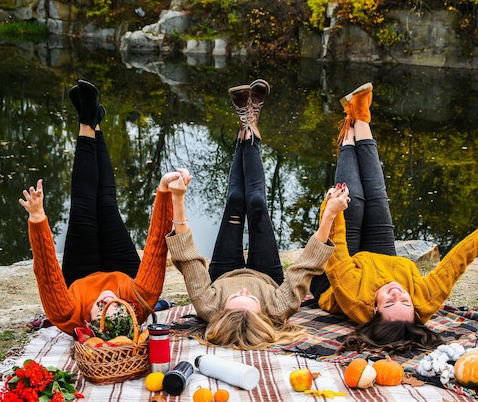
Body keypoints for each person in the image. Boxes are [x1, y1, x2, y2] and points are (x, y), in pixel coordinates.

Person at [310, 82, 478, 353]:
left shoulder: (353, 296)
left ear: (374, 309)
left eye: (390, 302)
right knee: (377, 198)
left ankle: (349, 127)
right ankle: (360, 115)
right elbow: (459, 259)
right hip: (381, 263)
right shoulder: (423, 299)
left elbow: (336, 251)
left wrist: (331, 207)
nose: (397, 293)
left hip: (338, 276)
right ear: (415, 308)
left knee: (350, 201)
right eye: (405, 301)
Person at [164, 79, 349, 350]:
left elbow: (189, 259)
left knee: (236, 200)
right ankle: (249, 126)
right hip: (267, 274)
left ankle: (247, 125)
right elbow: (305, 266)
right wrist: (330, 215)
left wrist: (177, 198)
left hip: (223, 272)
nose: (243, 291)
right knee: (257, 203)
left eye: (235, 299)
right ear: (262, 313)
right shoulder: (278, 308)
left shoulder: (208, 306)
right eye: (248, 299)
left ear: (222, 312)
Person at [19, 79, 182, 336]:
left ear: (88, 323)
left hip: (79, 273)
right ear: (130, 310)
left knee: (83, 205)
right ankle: (92, 120)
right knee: (106, 203)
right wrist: (163, 192)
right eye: (116, 306)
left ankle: (89, 120)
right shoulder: (141, 299)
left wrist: (38, 219)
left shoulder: (67, 314)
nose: (106, 300)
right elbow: (155, 249)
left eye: (101, 309)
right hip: (123, 269)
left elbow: (46, 272)